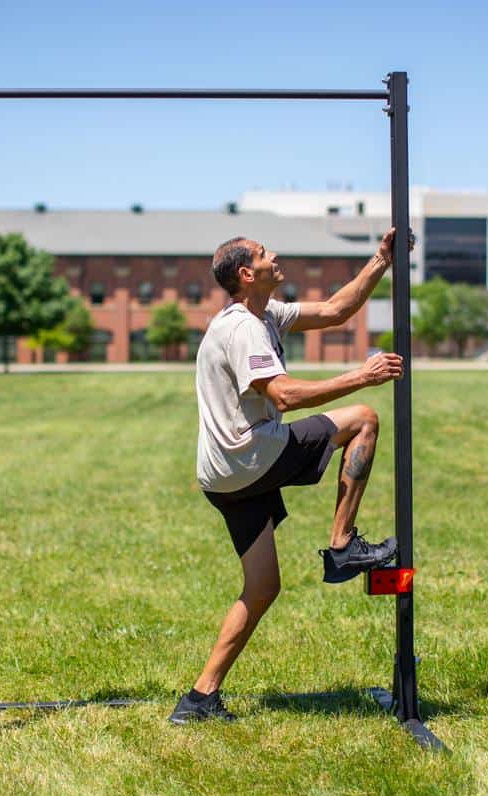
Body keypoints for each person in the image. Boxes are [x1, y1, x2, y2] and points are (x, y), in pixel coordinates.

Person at [169, 228, 410, 725]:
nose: (274, 256)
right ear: (245, 273)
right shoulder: (244, 329)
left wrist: (381, 260)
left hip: (223, 477)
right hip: (251, 458)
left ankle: (198, 700)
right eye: (263, 254)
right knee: (364, 416)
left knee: (261, 588)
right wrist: (361, 377)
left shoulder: (266, 314)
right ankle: (342, 545)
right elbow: (285, 397)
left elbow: (338, 310)